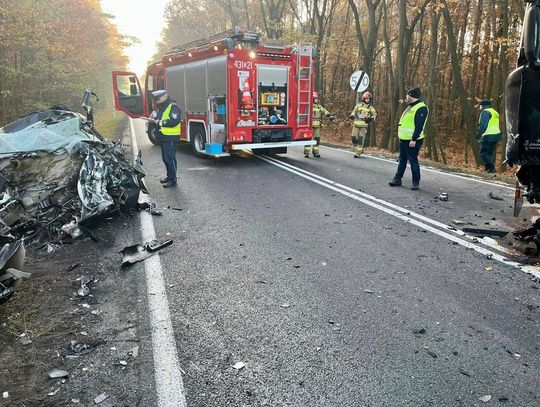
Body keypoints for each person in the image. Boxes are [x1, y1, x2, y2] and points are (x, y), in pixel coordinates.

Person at [389, 87, 429, 190]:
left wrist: (414, 139)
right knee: (402, 160)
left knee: (413, 161)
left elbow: (419, 125)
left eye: (407, 95)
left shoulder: (421, 108)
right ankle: (397, 179)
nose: (406, 97)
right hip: (404, 139)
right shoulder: (410, 106)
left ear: (411, 96)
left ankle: (416, 182)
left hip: (412, 140)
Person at [147, 90, 181, 188]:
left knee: (170, 158)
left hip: (170, 137)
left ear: (165, 96)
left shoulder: (173, 106)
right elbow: (160, 119)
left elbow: (174, 121)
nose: (158, 101)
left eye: (159, 98)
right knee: (165, 158)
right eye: (157, 99)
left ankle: (173, 179)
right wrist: (154, 121)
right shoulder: (163, 107)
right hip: (164, 137)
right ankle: (169, 177)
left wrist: (159, 122)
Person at [476, 99, 502, 174]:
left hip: (488, 135)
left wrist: (478, 135)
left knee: (483, 153)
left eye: (480, 105)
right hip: (496, 135)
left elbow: (483, 125)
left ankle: (491, 169)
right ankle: (487, 168)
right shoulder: (494, 112)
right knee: (488, 153)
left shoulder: (485, 112)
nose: (480, 107)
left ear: (483, 105)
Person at [305, 92, 333, 158]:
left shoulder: (319, 106)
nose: (317, 100)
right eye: (316, 99)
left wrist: (329, 115)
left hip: (317, 127)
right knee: (308, 139)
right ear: (312, 99)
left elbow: (324, 111)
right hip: (310, 127)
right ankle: (306, 152)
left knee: (317, 139)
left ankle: (316, 152)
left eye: (317, 99)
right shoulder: (309, 106)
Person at [349, 91, 377, 158]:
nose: (368, 100)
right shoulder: (358, 105)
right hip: (356, 124)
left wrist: (370, 119)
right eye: (366, 98)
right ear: (363, 98)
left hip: (364, 126)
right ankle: (359, 150)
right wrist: (352, 115)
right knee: (353, 139)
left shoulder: (370, 107)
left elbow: (374, 115)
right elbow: (354, 111)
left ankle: (358, 153)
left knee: (360, 139)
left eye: (369, 99)